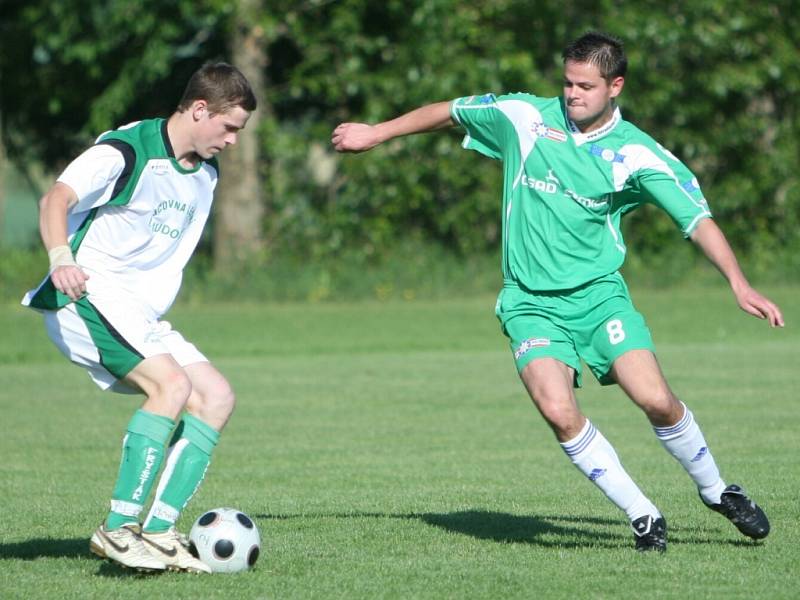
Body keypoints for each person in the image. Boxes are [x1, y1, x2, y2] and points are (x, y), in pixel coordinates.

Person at [331, 32, 784, 551]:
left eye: (586, 86)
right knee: (557, 409)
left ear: (615, 86)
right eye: (568, 82)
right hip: (529, 302)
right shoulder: (525, 117)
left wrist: (738, 282)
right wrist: (376, 132)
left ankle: (716, 489)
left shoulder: (634, 152)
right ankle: (643, 514)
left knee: (656, 400)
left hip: (598, 297)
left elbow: (696, 220)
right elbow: (450, 111)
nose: (572, 94)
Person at [22, 63, 257, 572]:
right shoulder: (126, 151)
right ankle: (119, 528)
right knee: (170, 386)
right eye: (230, 127)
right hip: (84, 293)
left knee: (215, 397)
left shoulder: (206, 173)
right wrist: (61, 257)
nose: (234, 141)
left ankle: (159, 531)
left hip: (137, 311)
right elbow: (55, 198)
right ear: (199, 109)